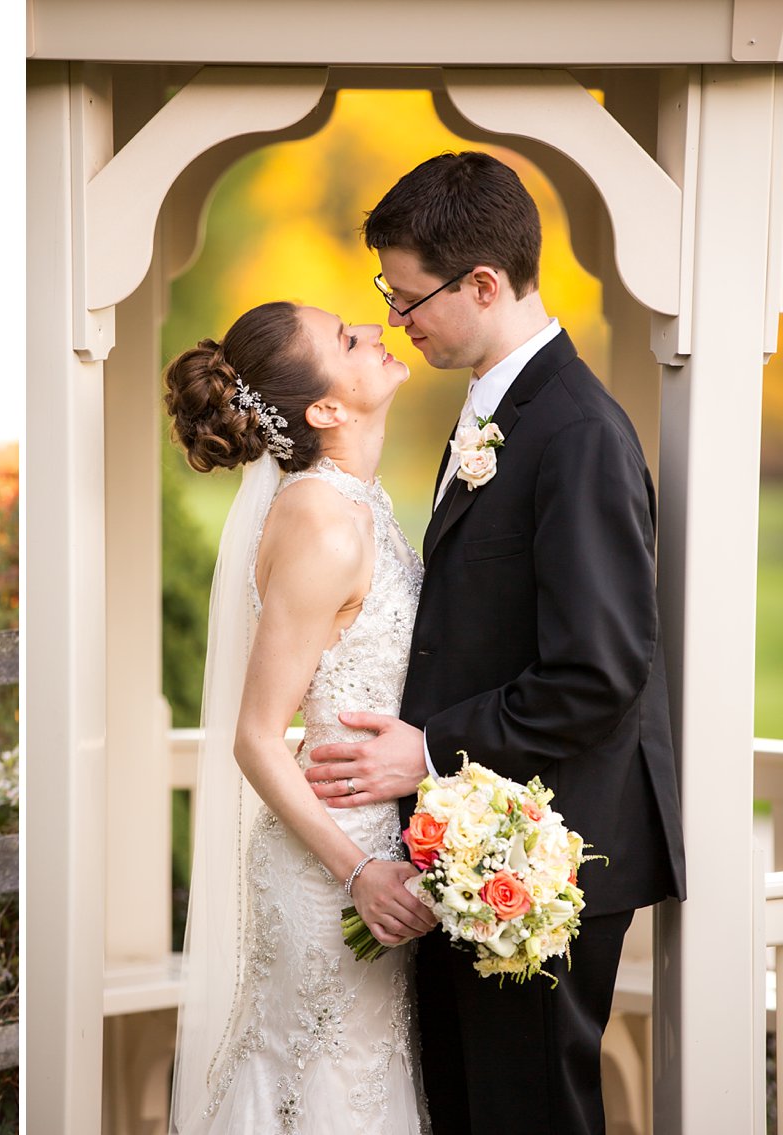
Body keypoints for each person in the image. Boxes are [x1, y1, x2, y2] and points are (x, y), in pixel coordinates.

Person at [304, 151, 687, 1135]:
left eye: (406, 297)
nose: (395, 320)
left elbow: (597, 672)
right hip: (477, 840)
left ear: (481, 283)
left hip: (545, 856)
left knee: (526, 1115)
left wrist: (425, 748)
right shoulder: (494, 409)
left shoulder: (575, 432)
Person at [165, 302, 436, 1134]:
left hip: (382, 847)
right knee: (318, 1089)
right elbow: (255, 735)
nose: (374, 328)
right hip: (336, 875)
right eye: (349, 339)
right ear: (323, 409)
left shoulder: (359, 500)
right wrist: (361, 871)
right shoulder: (319, 520)